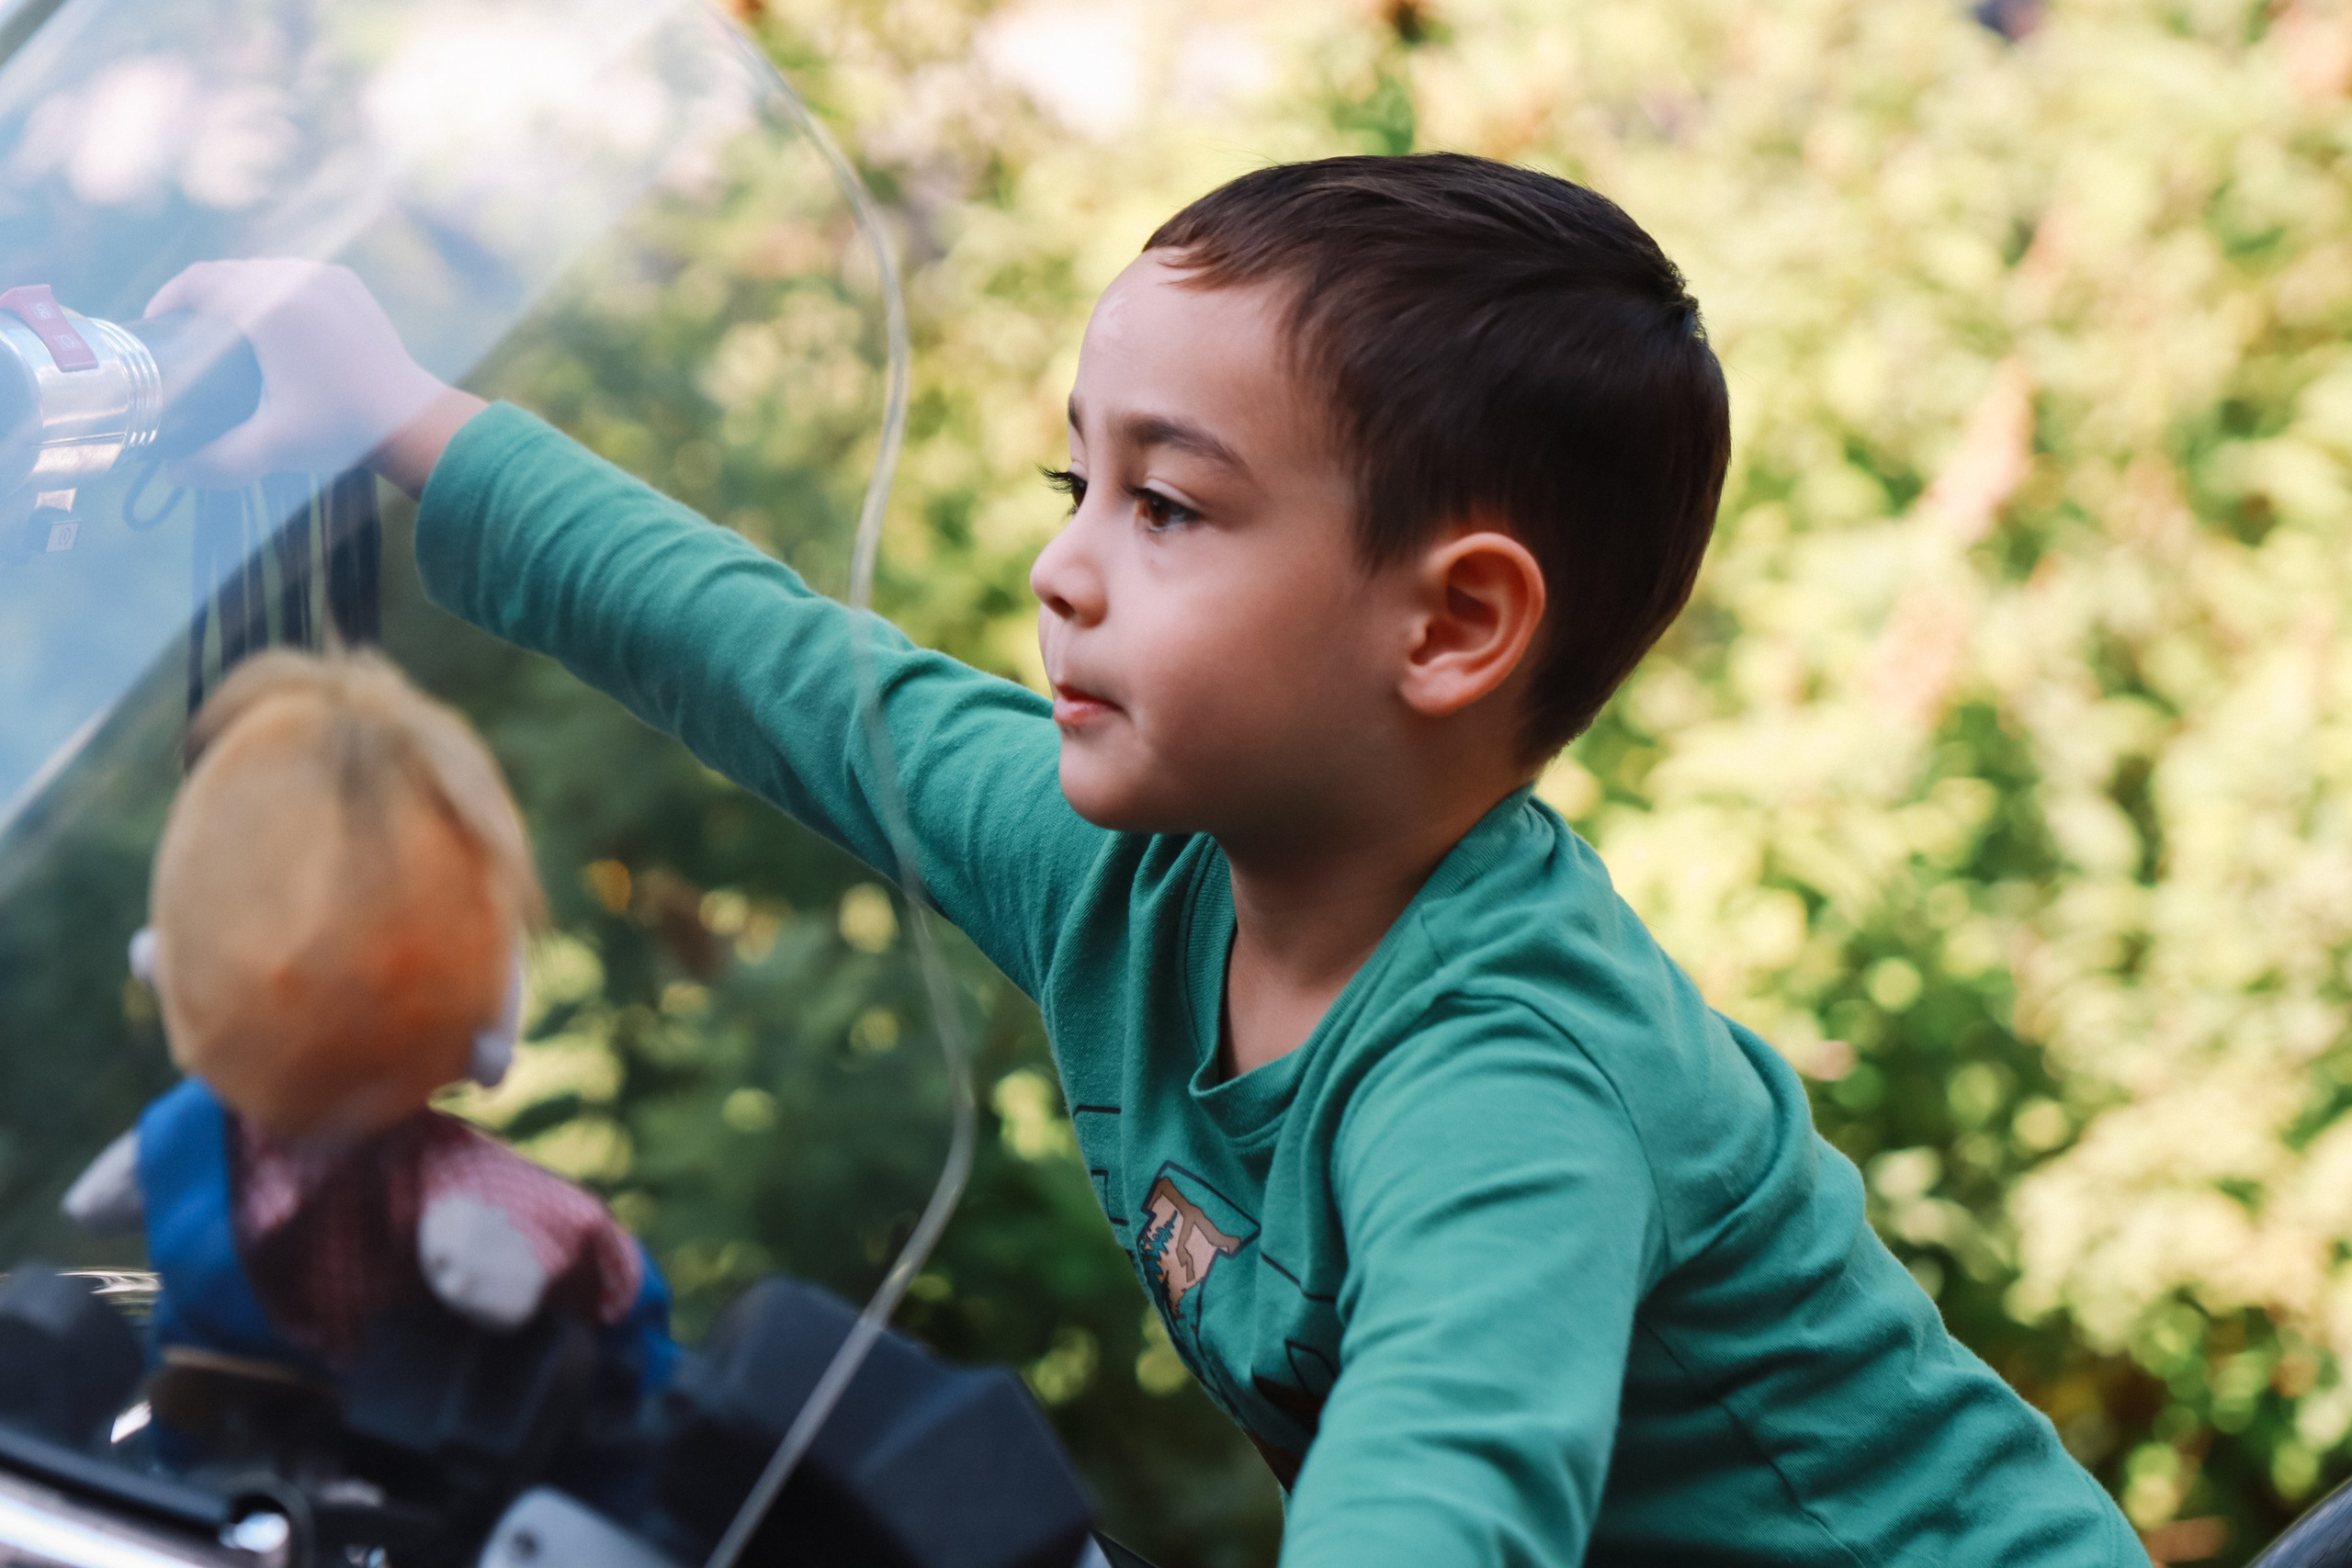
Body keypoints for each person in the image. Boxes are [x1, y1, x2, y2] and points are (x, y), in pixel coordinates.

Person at [153, 153, 2143, 1565]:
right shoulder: (1138, 872)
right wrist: (404, 416)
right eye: (1071, 476)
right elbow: (767, 656)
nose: (1060, 561)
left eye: (1169, 505)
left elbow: (1441, 1482)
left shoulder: (1508, 1085)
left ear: (1448, 626)